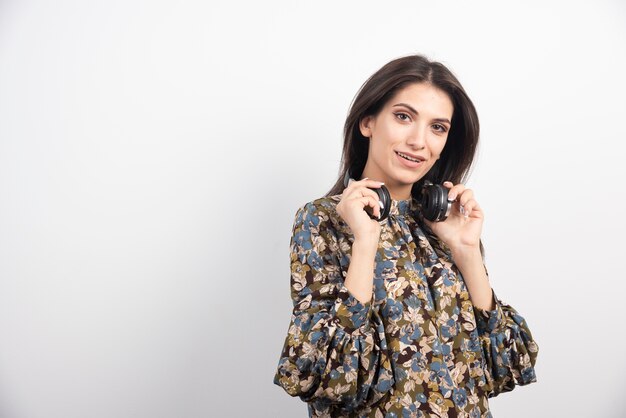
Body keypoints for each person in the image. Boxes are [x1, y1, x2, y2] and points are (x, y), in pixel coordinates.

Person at [273, 54, 538, 417]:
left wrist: (467, 251)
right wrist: (366, 242)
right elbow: (328, 375)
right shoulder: (321, 221)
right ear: (368, 122)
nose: (418, 141)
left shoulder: (446, 224)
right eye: (403, 117)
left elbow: (504, 365)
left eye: (438, 127)